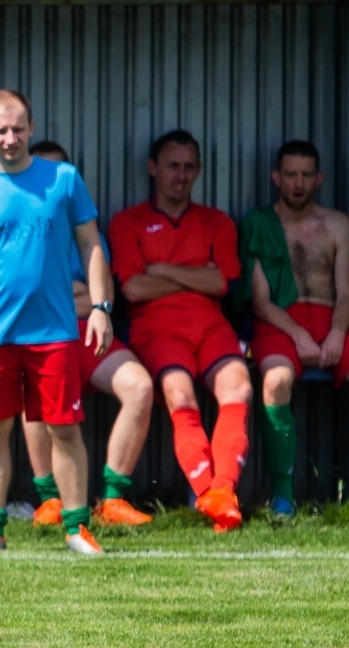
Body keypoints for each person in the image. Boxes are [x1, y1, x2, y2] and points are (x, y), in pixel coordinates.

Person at [0, 89, 113, 556]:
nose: (11, 138)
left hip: (55, 332)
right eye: (1, 130)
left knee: (65, 429)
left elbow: (91, 247)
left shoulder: (64, 179)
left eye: (19, 128)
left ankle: (76, 527)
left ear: (32, 128)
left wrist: (101, 307)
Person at [242, 139, 349, 513]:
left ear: (319, 178)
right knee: (276, 380)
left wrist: (336, 332)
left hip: (332, 320)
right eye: (290, 175)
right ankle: (282, 494)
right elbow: (261, 301)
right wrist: (297, 334)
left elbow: (347, 291)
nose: (298, 183)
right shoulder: (259, 224)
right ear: (276, 178)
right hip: (280, 323)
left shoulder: (338, 225)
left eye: (306, 175)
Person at [109, 130, 249, 532]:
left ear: (199, 171)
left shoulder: (216, 222)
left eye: (189, 167)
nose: (181, 175)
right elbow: (133, 288)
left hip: (210, 324)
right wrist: (197, 275)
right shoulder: (128, 222)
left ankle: (223, 493)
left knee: (239, 388)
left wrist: (163, 271)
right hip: (156, 328)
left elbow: (223, 283)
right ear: (153, 168)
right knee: (178, 393)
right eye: (173, 165)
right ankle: (207, 493)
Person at [21, 140, 154, 528]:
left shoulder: (85, 229)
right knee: (34, 393)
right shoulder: (17, 225)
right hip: (38, 336)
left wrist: (76, 299)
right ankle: (50, 501)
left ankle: (112, 500)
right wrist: (70, 296)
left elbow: (105, 296)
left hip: (88, 334)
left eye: (59, 173)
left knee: (140, 387)